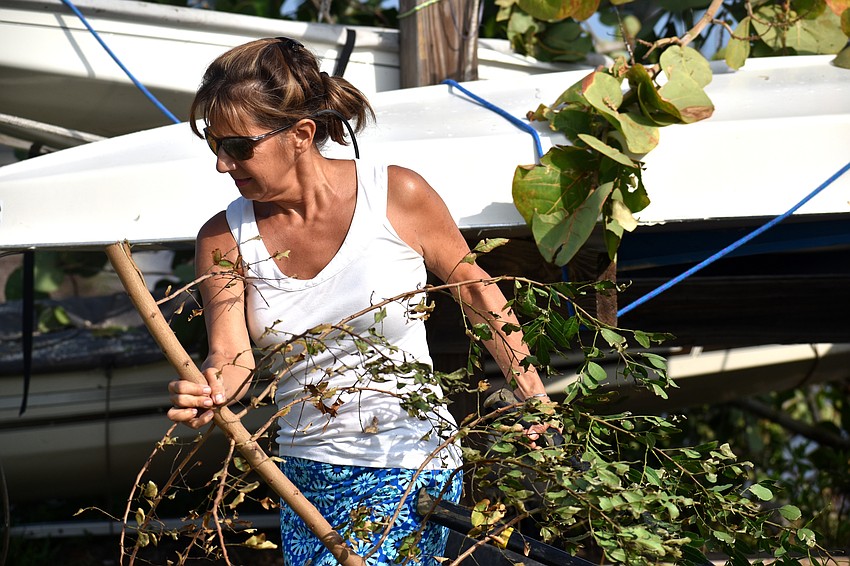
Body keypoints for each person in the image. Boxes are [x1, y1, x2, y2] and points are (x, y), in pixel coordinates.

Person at [166, 37, 551, 565]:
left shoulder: (395, 195)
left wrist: (534, 399)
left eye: (237, 146)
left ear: (301, 135)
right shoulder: (223, 238)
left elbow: (476, 291)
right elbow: (232, 357)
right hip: (304, 477)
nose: (221, 163)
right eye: (213, 143)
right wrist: (211, 390)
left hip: (411, 462)